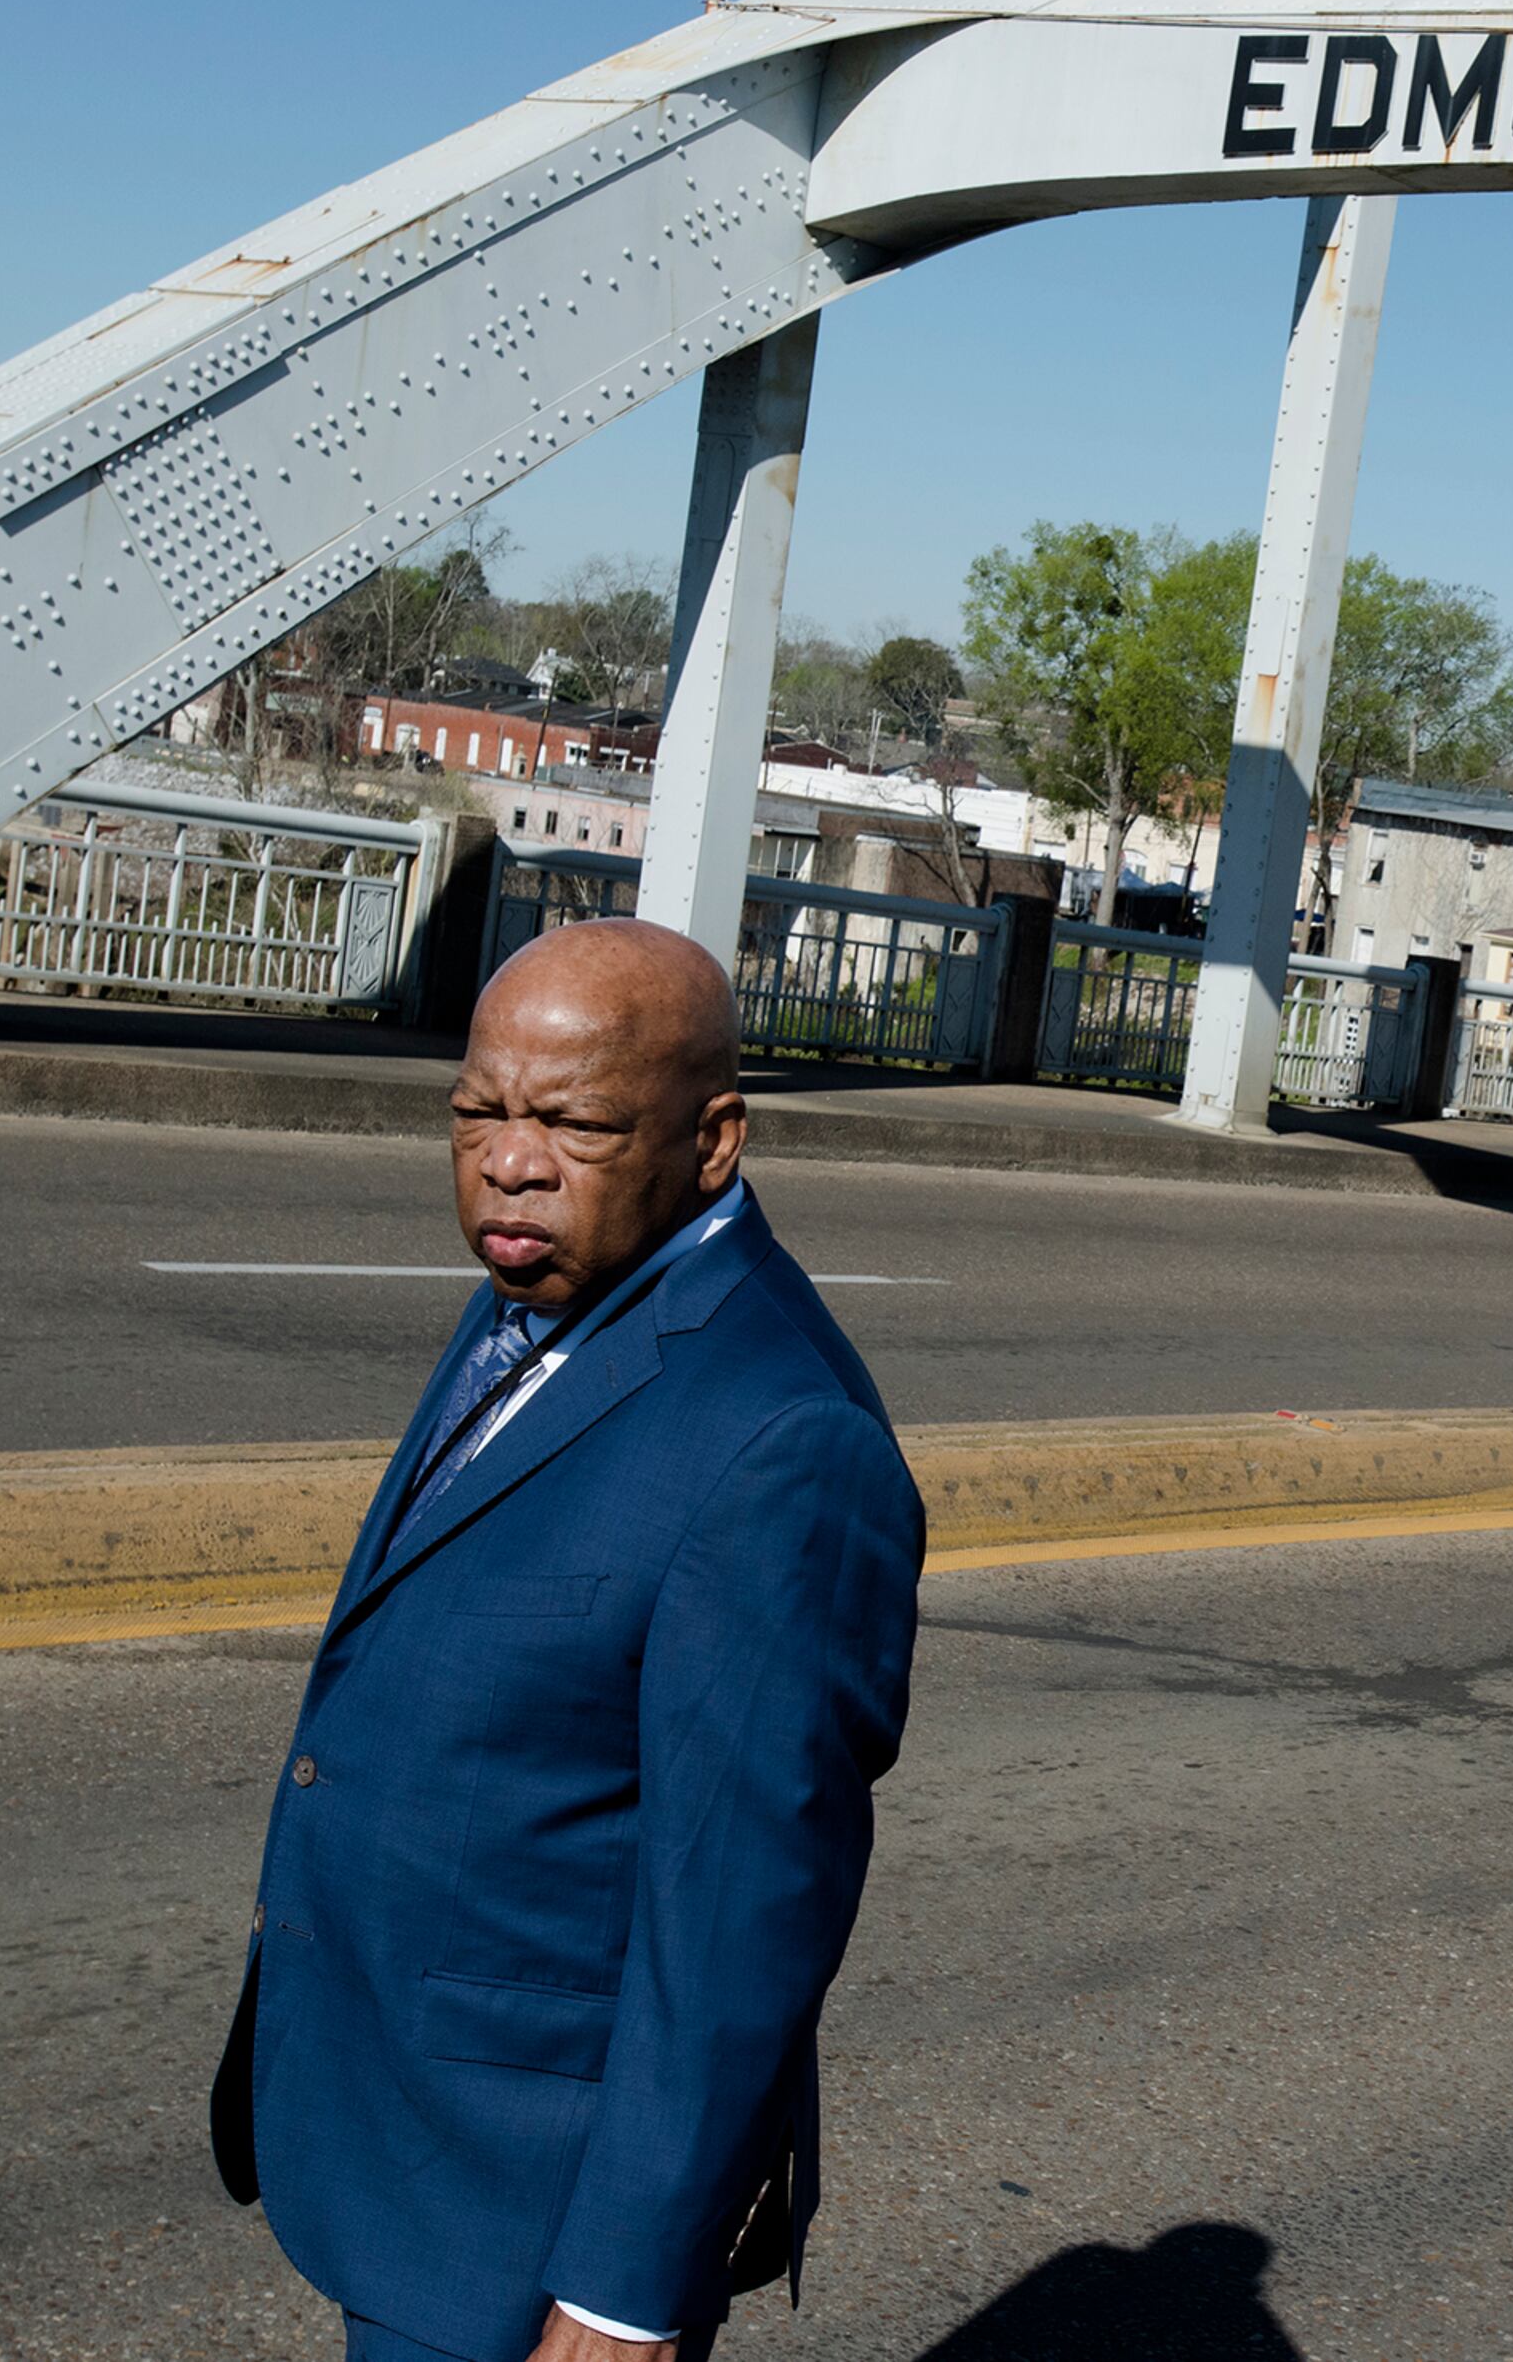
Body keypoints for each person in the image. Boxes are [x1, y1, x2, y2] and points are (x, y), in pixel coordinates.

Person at [211, 919, 924, 2361]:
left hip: (532, 2211)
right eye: (477, 1113)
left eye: (575, 1123)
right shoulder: (546, 1287)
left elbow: (742, 1914)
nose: (509, 1162)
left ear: (713, 1141)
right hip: (405, 2127)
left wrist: (621, 2291)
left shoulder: (782, 1437)